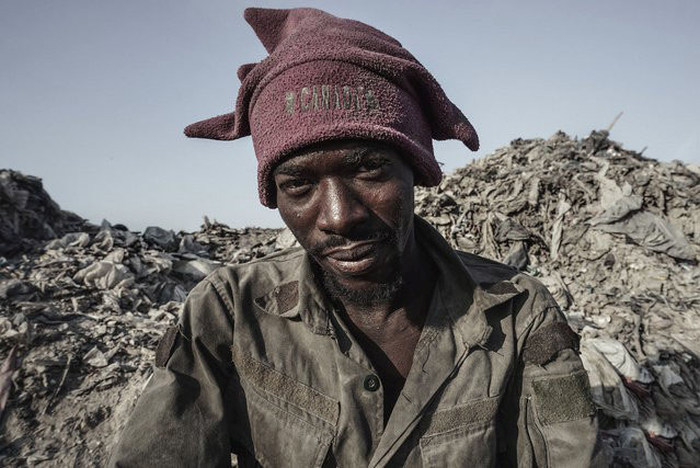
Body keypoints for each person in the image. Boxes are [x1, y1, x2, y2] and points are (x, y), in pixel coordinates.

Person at [110, 7, 597, 467]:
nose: (340, 217)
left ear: (418, 170)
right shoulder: (228, 312)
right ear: (274, 194)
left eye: (368, 169)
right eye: (299, 185)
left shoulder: (517, 315)